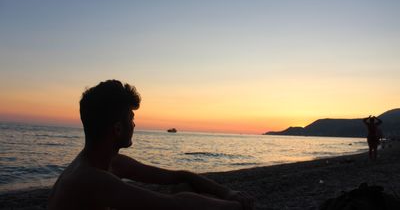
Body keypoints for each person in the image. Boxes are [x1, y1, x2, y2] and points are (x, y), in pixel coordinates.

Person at [48, 80, 254, 210]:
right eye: (131, 117)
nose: (134, 124)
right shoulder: (89, 178)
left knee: (183, 186)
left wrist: (228, 193)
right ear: (118, 129)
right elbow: (175, 205)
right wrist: (236, 206)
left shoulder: (110, 163)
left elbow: (180, 176)